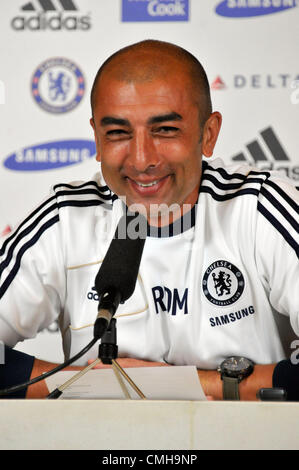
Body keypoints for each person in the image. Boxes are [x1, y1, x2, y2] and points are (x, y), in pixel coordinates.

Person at [0, 40, 298, 400]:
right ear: (96, 137)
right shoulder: (68, 217)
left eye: (165, 130)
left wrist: (187, 386)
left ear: (208, 134)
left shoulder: (260, 207)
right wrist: (88, 384)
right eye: (118, 133)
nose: (141, 160)